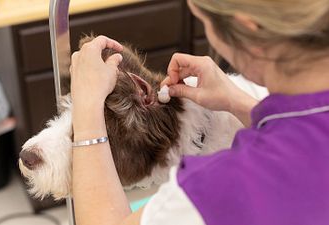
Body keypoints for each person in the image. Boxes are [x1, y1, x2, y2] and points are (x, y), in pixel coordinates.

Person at [69, 0, 329, 224]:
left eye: (205, 22)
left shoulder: (220, 185)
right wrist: (237, 102)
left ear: (250, 29)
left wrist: (87, 107)